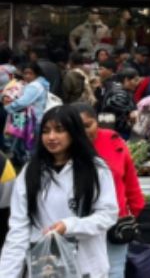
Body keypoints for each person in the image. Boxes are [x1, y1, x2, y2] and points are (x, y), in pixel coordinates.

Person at [0, 106, 119, 277]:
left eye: (59, 130)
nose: (51, 137)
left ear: (74, 132)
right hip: (44, 266)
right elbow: (18, 228)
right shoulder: (31, 172)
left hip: (86, 266)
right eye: (46, 131)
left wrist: (69, 226)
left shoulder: (96, 169)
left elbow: (108, 215)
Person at [73, 103, 144, 278]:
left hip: (114, 224)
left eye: (88, 125)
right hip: (78, 226)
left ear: (97, 122)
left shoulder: (114, 142)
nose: (83, 132)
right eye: (77, 127)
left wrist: (130, 215)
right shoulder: (64, 148)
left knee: (114, 271)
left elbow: (131, 184)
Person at [4, 62, 50, 167]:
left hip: (33, 120)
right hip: (35, 119)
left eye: (30, 73)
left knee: (29, 146)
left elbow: (23, 102)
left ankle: (29, 167)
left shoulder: (34, 86)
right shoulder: (40, 83)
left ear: (36, 74)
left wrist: (8, 107)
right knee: (30, 144)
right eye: (25, 73)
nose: (27, 76)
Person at [101, 68, 140, 140]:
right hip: (117, 131)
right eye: (135, 80)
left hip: (116, 129)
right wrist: (130, 113)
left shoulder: (122, 89)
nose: (137, 83)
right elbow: (118, 107)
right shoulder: (119, 93)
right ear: (126, 80)